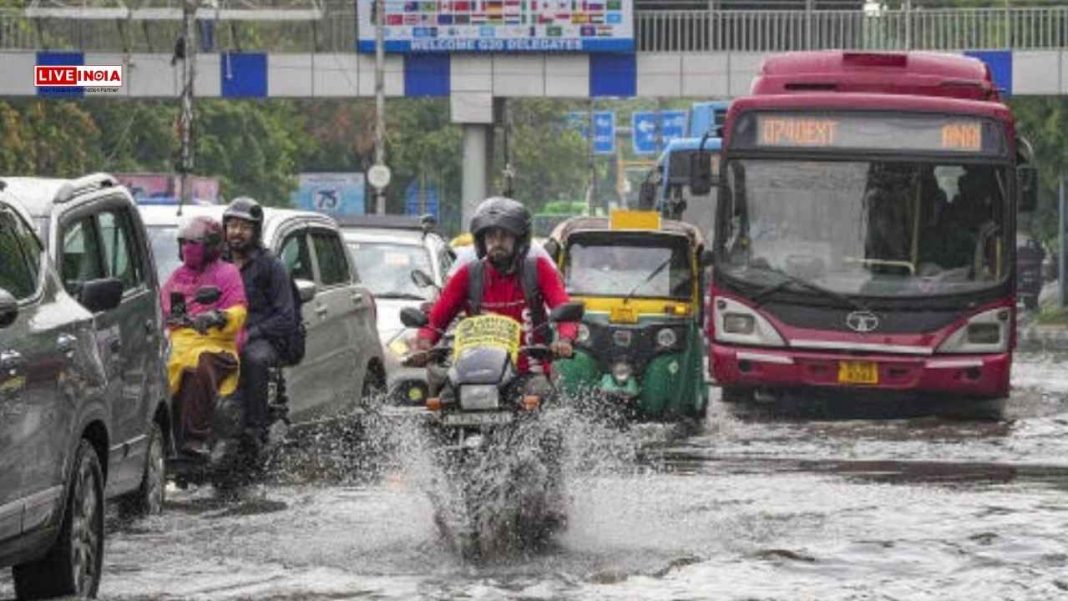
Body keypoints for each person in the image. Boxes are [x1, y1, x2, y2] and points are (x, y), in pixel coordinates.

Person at [413, 197, 578, 383]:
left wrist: (564, 340)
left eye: (504, 236)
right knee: (444, 401)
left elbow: (565, 311)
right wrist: (423, 344)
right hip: (475, 373)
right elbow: (436, 321)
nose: (497, 242)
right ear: (481, 241)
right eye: (491, 236)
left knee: (537, 392)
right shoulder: (468, 274)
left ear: (520, 240)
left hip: (529, 371)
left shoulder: (539, 269)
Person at [161, 215, 247, 456]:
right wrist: (172, 317)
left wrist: (216, 317)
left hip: (217, 344)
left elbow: (239, 311)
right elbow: (167, 307)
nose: (188, 249)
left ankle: (193, 438)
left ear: (211, 247)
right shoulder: (178, 276)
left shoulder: (227, 273)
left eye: (194, 244)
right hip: (179, 341)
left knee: (200, 366)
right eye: (184, 243)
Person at [223, 196, 297, 439]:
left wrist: (251, 333)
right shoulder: (217, 263)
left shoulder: (271, 266)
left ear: (255, 231)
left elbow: (286, 316)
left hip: (261, 337)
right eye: (232, 226)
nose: (237, 232)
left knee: (253, 359)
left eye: (244, 227)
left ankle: (256, 429)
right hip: (221, 332)